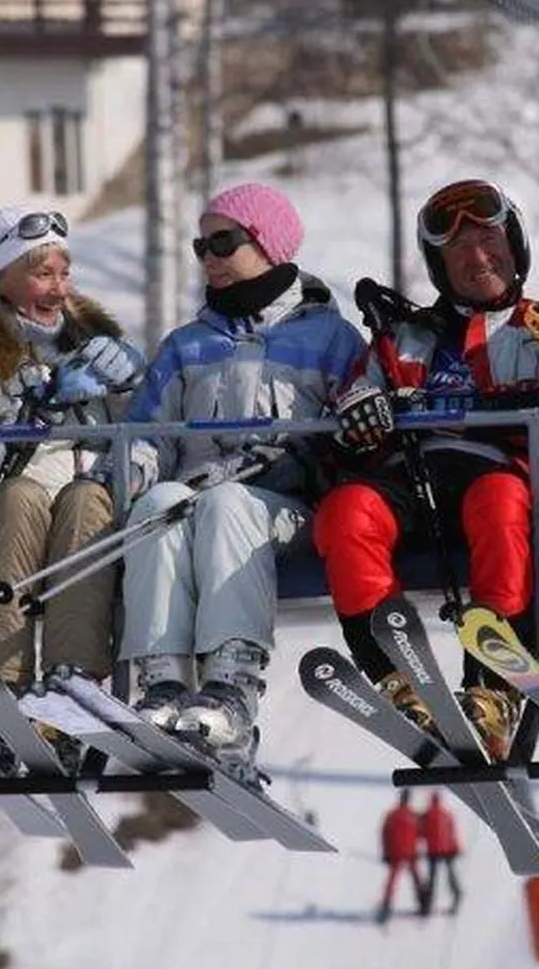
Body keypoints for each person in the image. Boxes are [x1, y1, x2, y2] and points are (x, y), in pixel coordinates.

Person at [312, 179, 539, 761]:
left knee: (497, 498)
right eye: (459, 251)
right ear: (440, 267)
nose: (477, 259)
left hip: (499, 479)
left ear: (515, 246)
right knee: (346, 512)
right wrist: (358, 421)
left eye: (489, 241)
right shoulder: (405, 340)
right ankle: (396, 676)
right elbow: (349, 410)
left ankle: (492, 687)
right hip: (411, 479)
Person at [109, 182, 364, 779]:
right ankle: (164, 683)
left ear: (268, 244)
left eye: (223, 242)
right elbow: (145, 435)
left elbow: (358, 422)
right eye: (201, 246)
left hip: (284, 510)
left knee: (227, 503)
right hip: (196, 504)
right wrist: (122, 481)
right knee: (160, 503)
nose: (210, 258)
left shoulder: (328, 337)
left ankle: (231, 691)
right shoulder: (186, 345)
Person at [0, 206, 146, 755]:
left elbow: (144, 448)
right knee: (20, 498)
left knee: (89, 500)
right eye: (42, 273)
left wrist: (136, 387)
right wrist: (36, 413)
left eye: (64, 273)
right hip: (11, 516)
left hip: (83, 506)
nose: (58, 287)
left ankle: (73, 687)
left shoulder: (90, 346)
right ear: (1, 280)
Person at [376, 790, 425, 925]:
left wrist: (386, 852)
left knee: (392, 880)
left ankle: (386, 906)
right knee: (416, 878)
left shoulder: (392, 814)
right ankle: (423, 903)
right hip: (410, 852)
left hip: (395, 851)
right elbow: (421, 833)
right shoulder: (414, 815)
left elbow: (384, 834)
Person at [418, 791, 462, 916]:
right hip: (448, 850)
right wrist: (456, 847)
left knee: (432, 879)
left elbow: (421, 833)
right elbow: (452, 833)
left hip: (433, 850)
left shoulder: (426, 816)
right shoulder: (446, 814)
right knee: (451, 876)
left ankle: (427, 905)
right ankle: (457, 894)